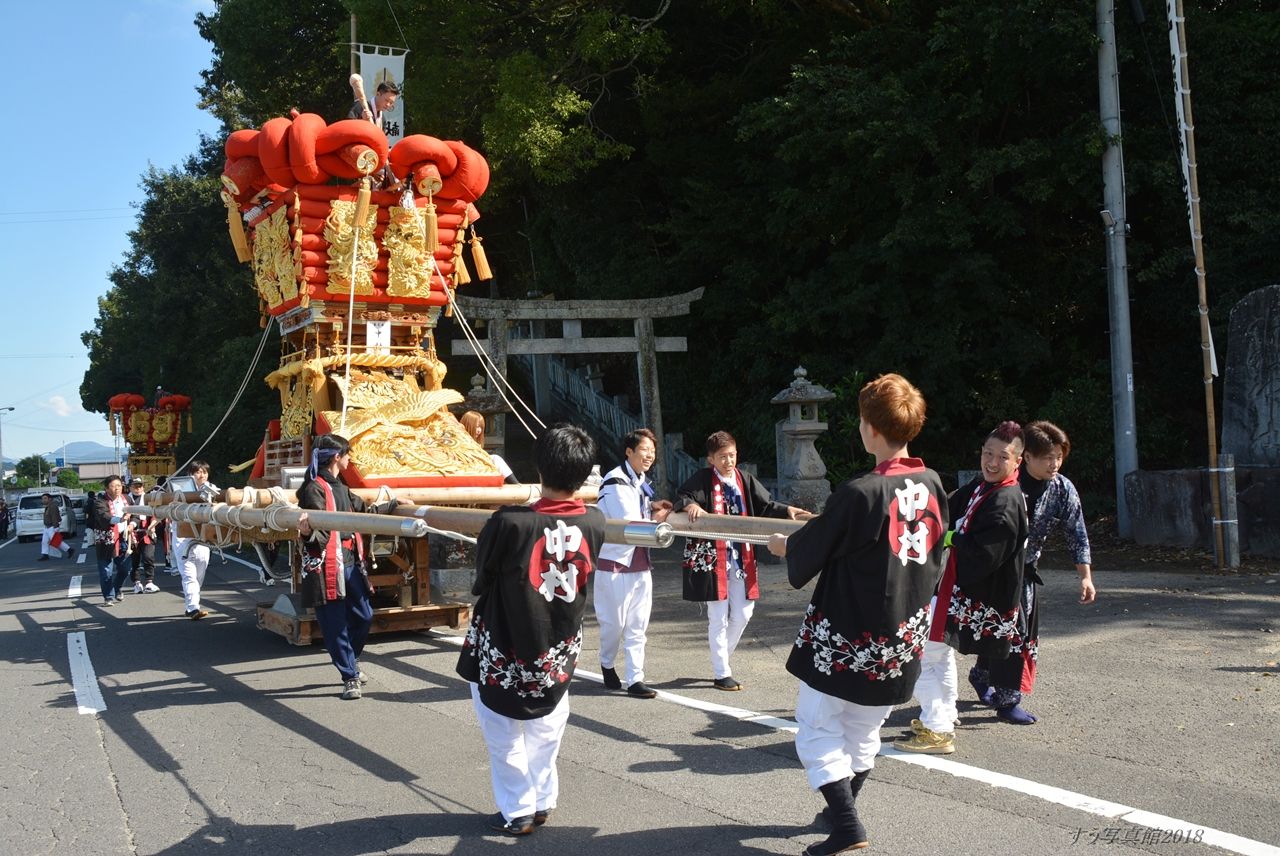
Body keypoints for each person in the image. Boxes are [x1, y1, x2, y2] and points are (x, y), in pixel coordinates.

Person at [767, 373, 948, 856]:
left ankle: (846, 824)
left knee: (817, 726)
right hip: (903, 630)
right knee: (865, 727)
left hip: (849, 631)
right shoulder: (932, 483)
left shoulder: (860, 492)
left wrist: (786, 547)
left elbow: (811, 553)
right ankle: (840, 810)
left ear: (869, 427)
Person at [455, 424, 606, 836]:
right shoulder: (596, 521)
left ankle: (518, 809)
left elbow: (482, 577)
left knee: (502, 730)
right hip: (558, 643)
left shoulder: (508, 523)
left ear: (539, 467)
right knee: (547, 727)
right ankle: (542, 800)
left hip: (505, 637)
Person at [898, 420, 1028, 754]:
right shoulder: (983, 486)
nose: (993, 462)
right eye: (988, 453)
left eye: (1002, 456)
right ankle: (943, 713)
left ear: (1018, 460)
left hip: (974, 592)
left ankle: (937, 728)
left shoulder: (1007, 500)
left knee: (923, 653)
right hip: (957, 590)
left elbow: (984, 553)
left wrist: (949, 537)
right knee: (938, 654)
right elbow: (947, 508)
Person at [968, 420, 1097, 724]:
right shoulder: (1002, 482)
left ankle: (1005, 696)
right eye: (1048, 457)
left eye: (1059, 457)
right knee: (992, 627)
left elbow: (1077, 533)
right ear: (1027, 457)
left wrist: (1085, 576)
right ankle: (986, 678)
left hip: (1023, 573)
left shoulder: (1062, 489)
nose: (1055, 464)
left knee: (1017, 632)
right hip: (989, 568)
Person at [675, 431, 809, 691]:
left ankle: (720, 659)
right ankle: (721, 672)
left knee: (744, 612)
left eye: (732, 455)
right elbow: (683, 496)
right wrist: (690, 505)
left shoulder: (743, 479)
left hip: (740, 556)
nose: (728, 461)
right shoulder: (703, 478)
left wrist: (788, 510)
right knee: (718, 616)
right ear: (710, 459)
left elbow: (766, 505)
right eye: (722, 457)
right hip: (715, 558)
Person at [296, 434, 397, 700]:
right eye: (347, 454)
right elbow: (316, 527)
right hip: (327, 564)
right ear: (337, 457)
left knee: (363, 615)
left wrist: (394, 506)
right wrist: (307, 534)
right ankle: (349, 675)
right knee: (335, 624)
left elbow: (363, 514)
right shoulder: (313, 488)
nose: (350, 459)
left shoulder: (340, 486)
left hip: (351, 562)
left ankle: (349, 660)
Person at [593, 428, 673, 699]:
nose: (649, 455)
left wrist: (652, 507)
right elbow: (630, 523)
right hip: (615, 561)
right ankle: (606, 663)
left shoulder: (639, 480)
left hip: (640, 562)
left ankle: (635, 678)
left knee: (638, 623)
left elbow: (639, 511)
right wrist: (658, 517)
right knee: (613, 624)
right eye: (644, 450)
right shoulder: (615, 480)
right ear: (628, 451)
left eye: (652, 451)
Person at [173, 461, 219, 620]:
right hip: (183, 538)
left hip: (202, 539)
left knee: (199, 575)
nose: (202, 475)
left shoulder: (212, 489)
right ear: (190, 474)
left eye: (204, 472)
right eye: (198, 472)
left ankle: (192, 602)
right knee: (189, 575)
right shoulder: (180, 489)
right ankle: (193, 608)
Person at [90, 476, 132, 606]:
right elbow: (104, 516)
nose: (117, 488)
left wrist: (132, 525)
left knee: (125, 569)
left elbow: (135, 515)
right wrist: (120, 519)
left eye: (119, 485)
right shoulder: (100, 502)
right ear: (106, 488)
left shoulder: (127, 499)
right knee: (106, 570)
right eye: (113, 486)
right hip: (106, 539)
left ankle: (117, 587)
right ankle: (108, 596)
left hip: (123, 537)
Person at [460, 411, 518, 484]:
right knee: (495, 458)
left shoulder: (475, 443)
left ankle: (516, 484)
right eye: (477, 426)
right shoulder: (459, 441)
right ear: (468, 425)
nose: (479, 430)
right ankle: (516, 484)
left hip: (475, 466)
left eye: (481, 427)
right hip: (465, 466)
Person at [126, 478, 160, 594]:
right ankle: (136, 583)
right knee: (134, 560)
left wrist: (153, 525)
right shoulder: (126, 499)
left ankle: (149, 582)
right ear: (130, 487)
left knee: (148, 557)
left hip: (147, 532)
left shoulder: (148, 498)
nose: (138, 488)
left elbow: (155, 513)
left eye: (140, 486)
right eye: (135, 486)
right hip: (132, 533)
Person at [39, 493, 73, 561]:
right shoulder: (48, 506)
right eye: (42, 499)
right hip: (47, 527)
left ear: (50, 499)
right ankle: (45, 555)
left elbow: (54, 517)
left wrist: (56, 527)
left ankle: (69, 550)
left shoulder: (53, 506)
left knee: (56, 541)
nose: (43, 500)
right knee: (44, 541)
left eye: (45, 498)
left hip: (52, 527)